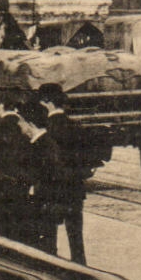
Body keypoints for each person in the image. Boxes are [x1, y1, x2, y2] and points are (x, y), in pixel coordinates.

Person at [36, 84, 95, 264]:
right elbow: (88, 160)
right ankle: (80, 269)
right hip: (75, 190)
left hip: (52, 191)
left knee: (48, 238)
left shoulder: (46, 129)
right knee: (76, 238)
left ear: (47, 102)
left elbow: (43, 163)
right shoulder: (77, 126)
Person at [12, 101, 74, 260]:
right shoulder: (40, 143)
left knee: (46, 248)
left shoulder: (45, 145)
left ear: (30, 124)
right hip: (42, 205)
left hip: (45, 206)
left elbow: (51, 176)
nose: (19, 127)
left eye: (21, 123)